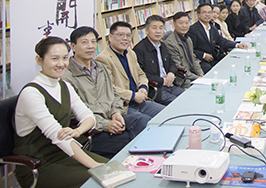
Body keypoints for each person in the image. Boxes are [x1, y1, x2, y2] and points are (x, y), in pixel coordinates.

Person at [14, 37, 107, 188]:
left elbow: (89, 117)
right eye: (54, 59)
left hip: (66, 154)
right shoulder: (31, 93)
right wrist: (93, 165)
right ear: (39, 60)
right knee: (102, 179)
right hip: (38, 165)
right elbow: (58, 137)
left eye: (64, 58)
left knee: (118, 169)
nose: (61, 64)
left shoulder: (64, 86)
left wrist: (77, 131)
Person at [64, 27, 148, 159]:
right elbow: (74, 114)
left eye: (93, 42)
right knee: (136, 140)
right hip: (92, 130)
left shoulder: (99, 68)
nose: (90, 46)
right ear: (73, 46)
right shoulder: (67, 76)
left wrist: (116, 113)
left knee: (143, 121)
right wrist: (105, 125)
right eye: (84, 42)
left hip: (111, 118)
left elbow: (114, 94)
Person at [96, 22, 165, 119]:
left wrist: (143, 87)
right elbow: (109, 88)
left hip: (141, 101)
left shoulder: (130, 53)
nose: (125, 38)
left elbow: (141, 74)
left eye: (128, 35)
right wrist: (133, 96)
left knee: (167, 113)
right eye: (120, 35)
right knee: (146, 121)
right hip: (123, 106)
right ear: (110, 37)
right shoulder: (103, 59)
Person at [133, 15, 185, 105]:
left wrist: (171, 73)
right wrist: (161, 80)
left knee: (188, 97)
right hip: (156, 89)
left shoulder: (162, 45)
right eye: (154, 28)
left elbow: (172, 63)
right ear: (146, 30)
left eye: (161, 28)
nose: (158, 31)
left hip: (170, 85)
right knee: (179, 103)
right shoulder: (139, 49)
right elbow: (141, 74)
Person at [189, 3, 247, 73]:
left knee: (231, 61)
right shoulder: (193, 29)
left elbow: (221, 40)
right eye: (204, 12)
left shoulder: (213, 28)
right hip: (200, 60)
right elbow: (190, 49)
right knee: (209, 69)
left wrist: (237, 45)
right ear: (198, 15)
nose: (207, 15)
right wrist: (203, 55)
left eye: (209, 12)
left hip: (213, 57)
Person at [163, 12, 204, 88]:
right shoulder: (170, 43)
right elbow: (178, 67)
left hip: (192, 74)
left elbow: (193, 58)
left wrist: (200, 74)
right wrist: (196, 77)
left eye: (186, 23)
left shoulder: (188, 39)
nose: (184, 26)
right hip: (183, 79)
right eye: (181, 23)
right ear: (174, 24)